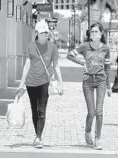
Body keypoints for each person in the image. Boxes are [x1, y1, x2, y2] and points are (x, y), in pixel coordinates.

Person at [16, 20, 64, 149]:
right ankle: (37, 134)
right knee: (34, 110)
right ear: (37, 33)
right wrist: (21, 84)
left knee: (41, 110)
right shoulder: (31, 46)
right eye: (42, 33)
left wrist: (60, 82)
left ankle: (38, 137)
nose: (45, 35)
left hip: (45, 82)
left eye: (47, 33)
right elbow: (27, 65)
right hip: (31, 83)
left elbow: (56, 65)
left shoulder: (52, 47)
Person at [66, 22, 111, 150]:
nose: (94, 34)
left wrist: (109, 86)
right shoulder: (85, 46)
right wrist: (81, 62)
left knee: (99, 111)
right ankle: (87, 131)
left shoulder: (106, 49)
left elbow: (107, 67)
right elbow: (69, 55)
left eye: (96, 32)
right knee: (91, 112)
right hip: (88, 80)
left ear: (101, 34)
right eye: (92, 32)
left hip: (101, 80)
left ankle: (97, 139)